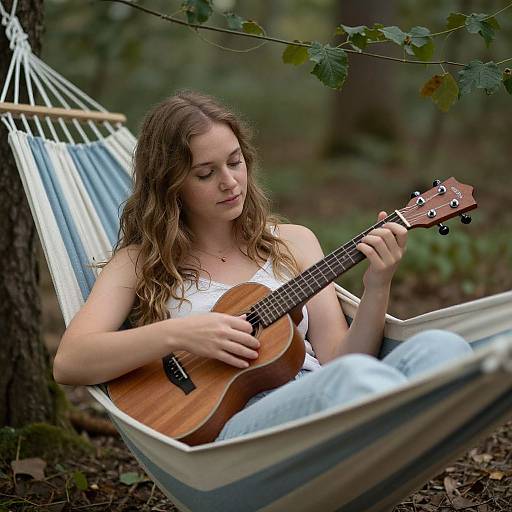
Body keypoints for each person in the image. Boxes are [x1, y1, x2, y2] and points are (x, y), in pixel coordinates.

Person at [52, 90, 472, 442]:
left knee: (446, 349)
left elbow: (342, 359)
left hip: (330, 393)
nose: (230, 182)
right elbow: (71, 361)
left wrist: (378, 284)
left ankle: (388, 441)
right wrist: (181, 332)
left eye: (235, 162)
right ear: (170, 184)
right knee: (354, 382)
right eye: (205, 173)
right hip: (241, 432)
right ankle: (391, 426)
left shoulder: (294, 242)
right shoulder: (140, 262)